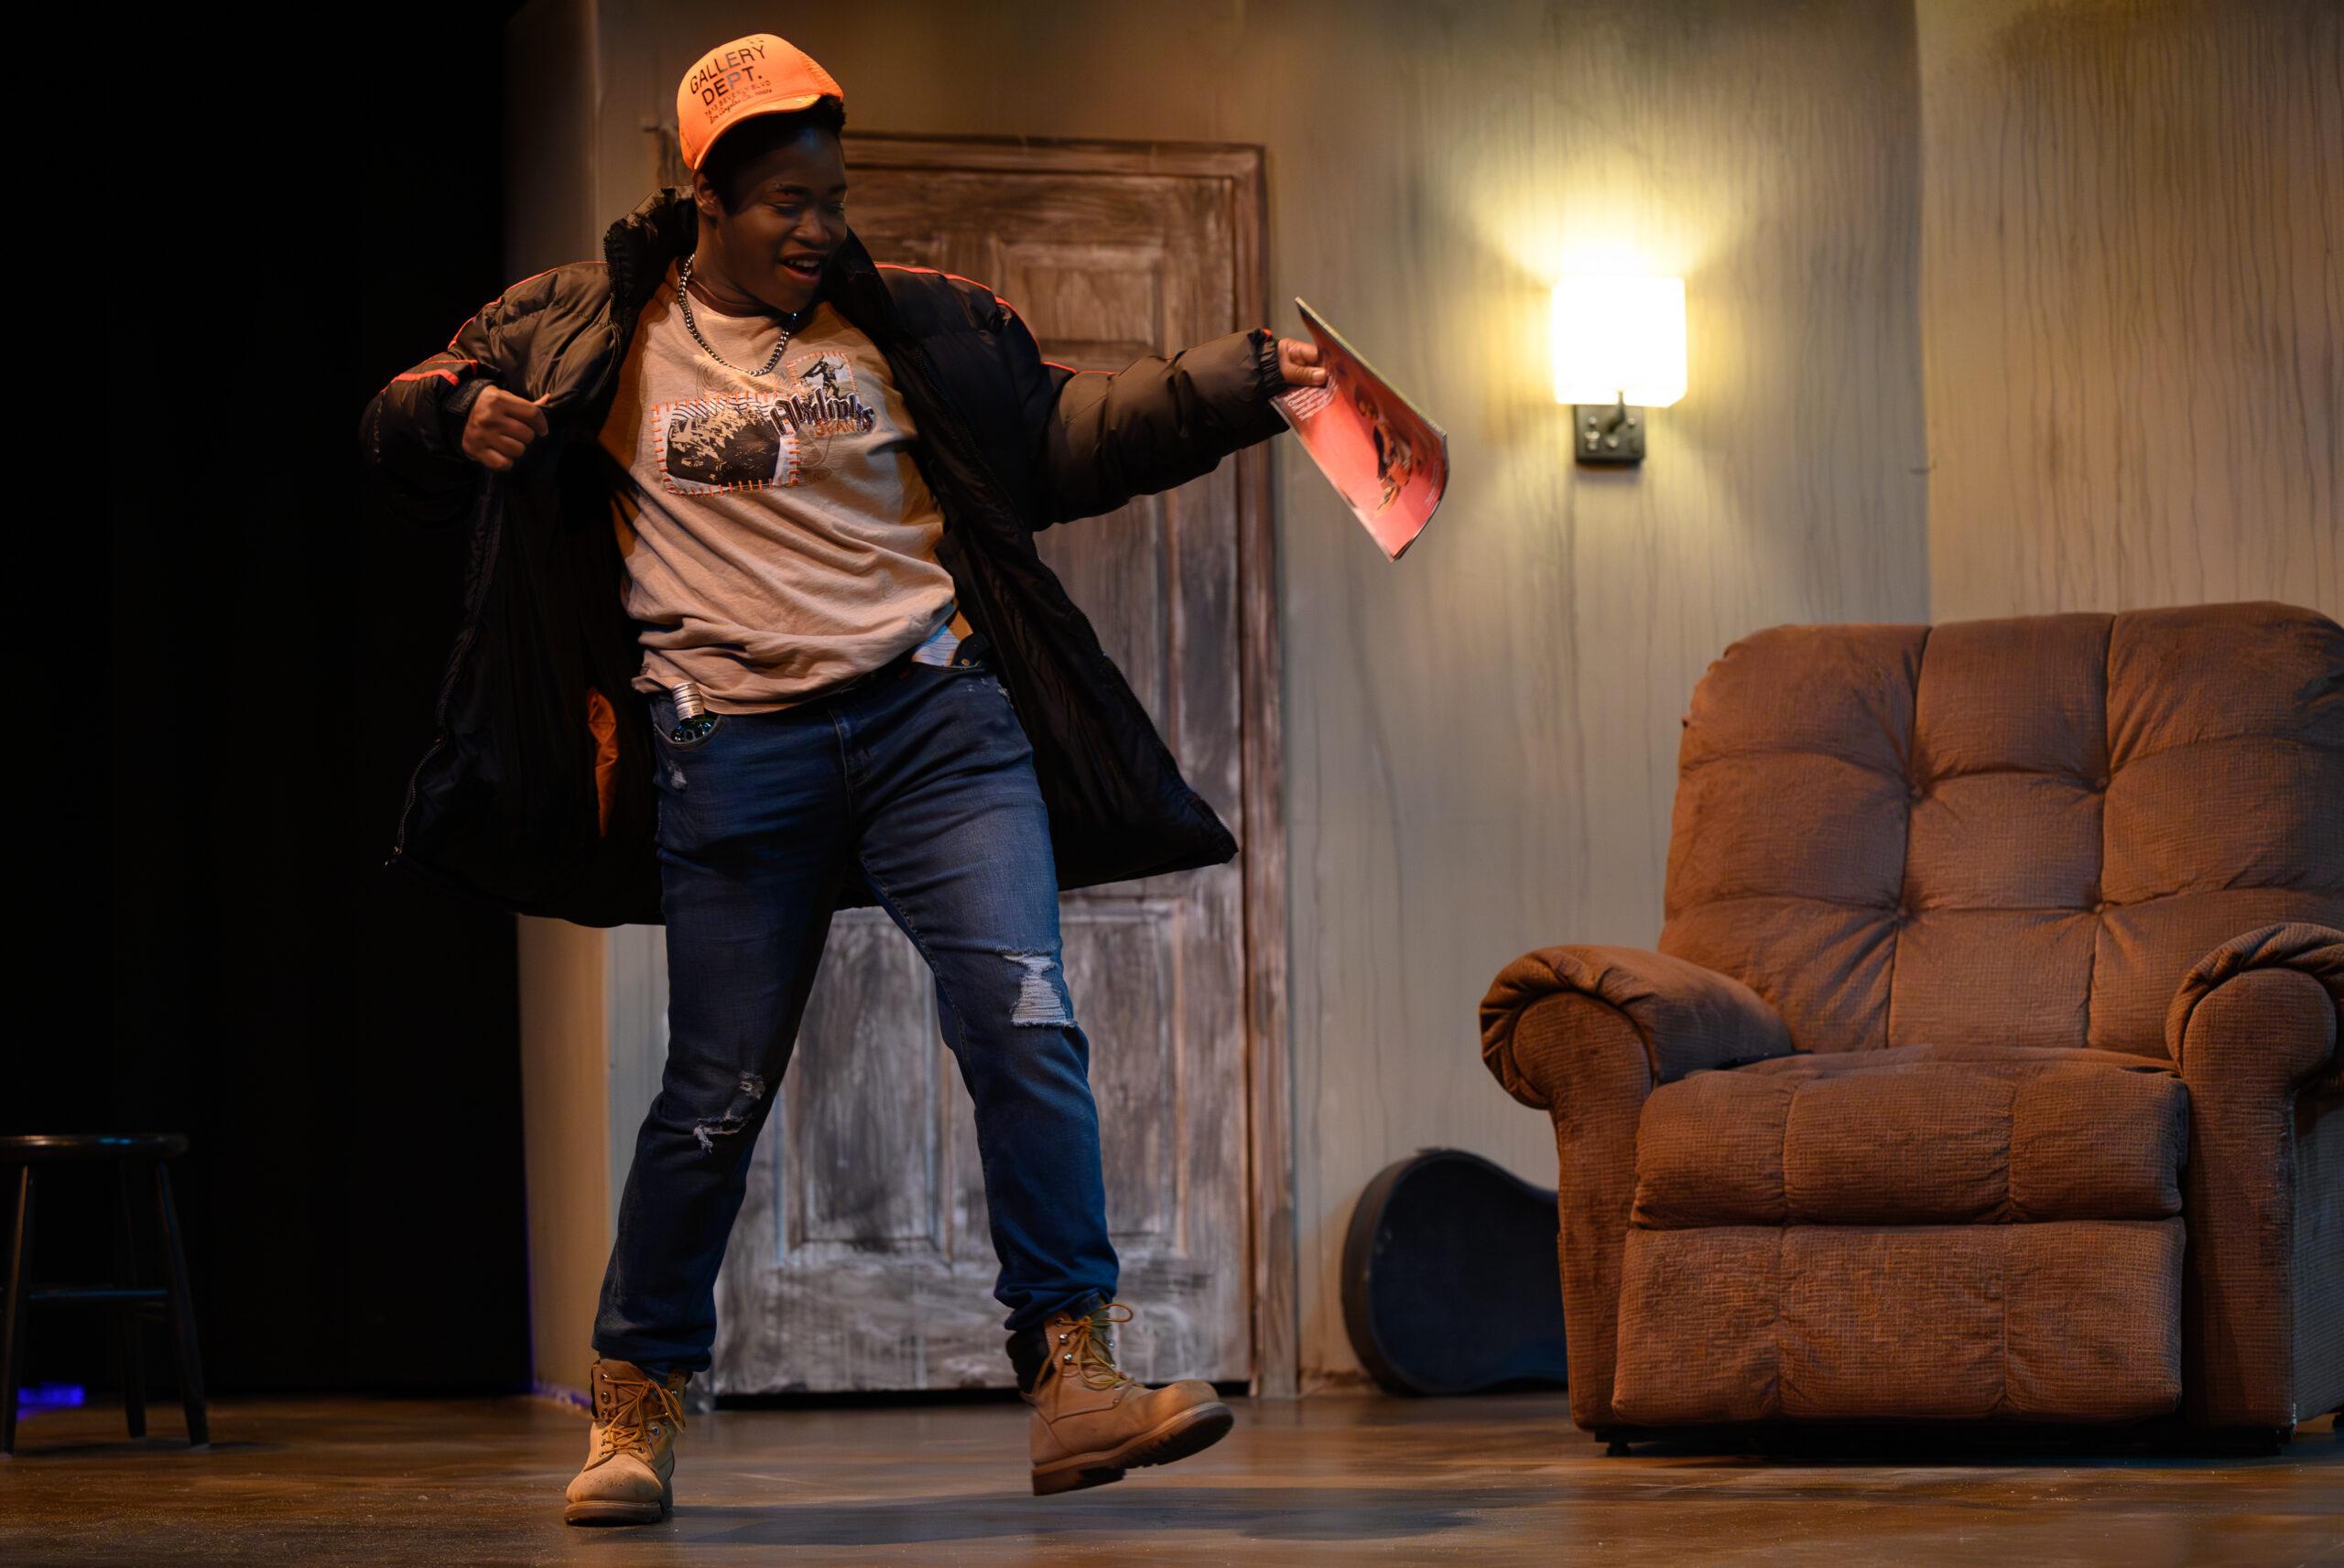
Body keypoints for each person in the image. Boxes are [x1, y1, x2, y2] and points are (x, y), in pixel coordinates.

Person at [358, 31, 1326, 1526]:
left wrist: (1242, 379)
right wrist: (447, 417)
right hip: (731, 752)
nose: (818, 227)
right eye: (785, 204)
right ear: (707, 199)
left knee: (1023, 1020)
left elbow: (1069, 429)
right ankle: (636, 1403)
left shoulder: (915, 322)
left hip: (935, 725)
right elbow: (405, 406)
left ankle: (1074, 1370)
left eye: (833, 196)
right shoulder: (582, 326)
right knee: (715, 1093)